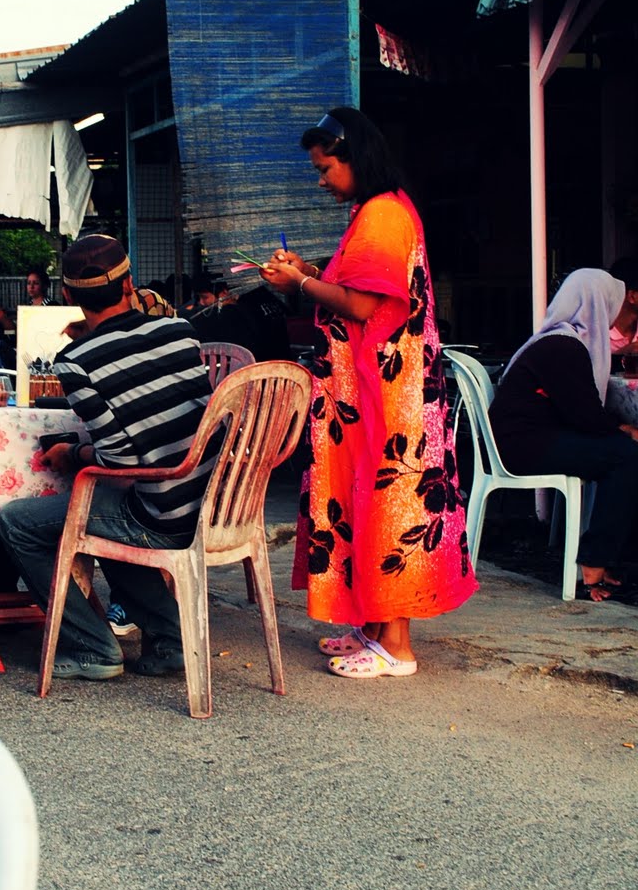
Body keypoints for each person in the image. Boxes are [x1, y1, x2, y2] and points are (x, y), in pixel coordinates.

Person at [263, 106, 477, 679]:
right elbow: (361, 291)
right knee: (368, 497)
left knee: (390, 501)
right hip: (381, 388)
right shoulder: (381, 209)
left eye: (325, 168)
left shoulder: (382, 214)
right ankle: (377, 627)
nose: (321, 180)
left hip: (388, 392)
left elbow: (360, 305)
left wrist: (299, 282)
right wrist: (310, 273)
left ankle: (397, 646)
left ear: (354, 157)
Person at [0, 234, 214, 682]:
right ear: (130, 283)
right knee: (104, 511)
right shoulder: (180, 331)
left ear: (68, 296)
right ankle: (171, 639)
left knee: (18, 522)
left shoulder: (76, 361)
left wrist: (71, 453)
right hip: (214, 502)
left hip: (164, 515)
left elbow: (118, 462)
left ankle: (92, 647)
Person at [490, 268, 638, 603]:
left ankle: (600, 556)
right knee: (625, 456)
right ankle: (593, 565)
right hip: (524, 446)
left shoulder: (560, 340)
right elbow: (586, 417)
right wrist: (625, 430)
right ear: (596, 303)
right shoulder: (563, 347)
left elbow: (581, 413)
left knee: (621, 450)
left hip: (524, 440)